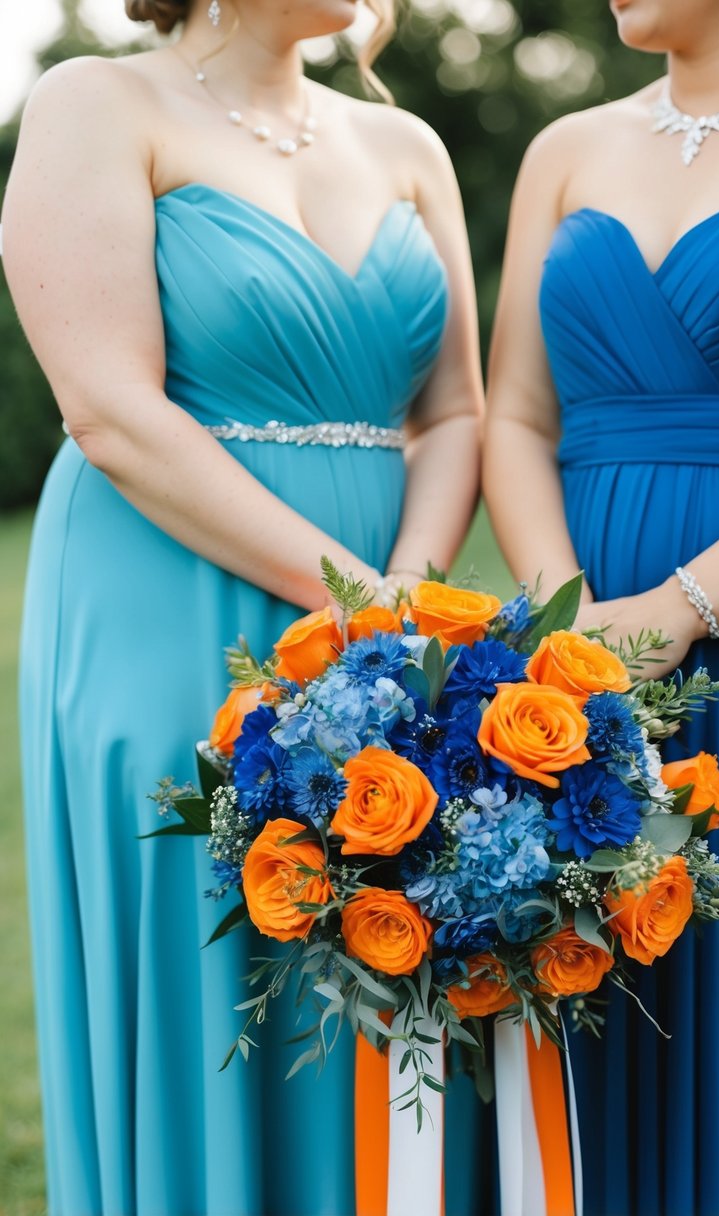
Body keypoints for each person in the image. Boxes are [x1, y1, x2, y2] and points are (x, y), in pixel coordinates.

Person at [2, 0, 486, 1209]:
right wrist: (354, 592)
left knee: (407, 940)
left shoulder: (407, 145)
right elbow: (109, 408)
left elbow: (457, 411)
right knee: (211, 942)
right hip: (170, 591)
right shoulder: (95, 107)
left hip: (389, 605)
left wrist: (404, 602)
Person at [484, 1, 719, 1213]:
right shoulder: (564, 148)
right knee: (601, 990)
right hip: (583, 657)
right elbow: (516, 414)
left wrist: (682, 607)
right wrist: (564, 620)